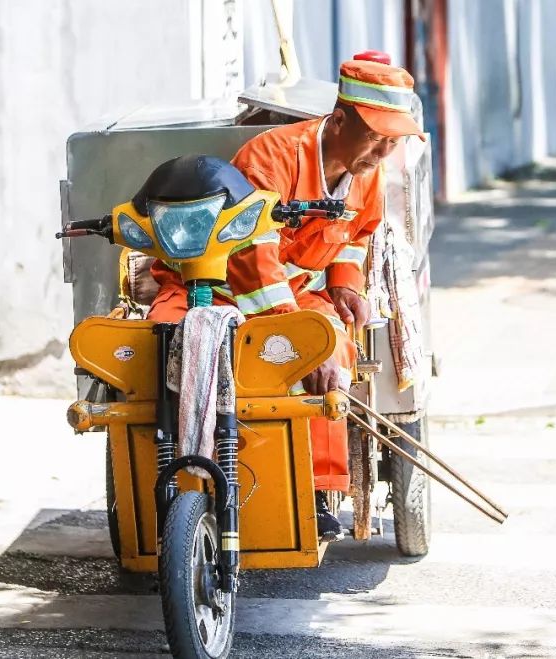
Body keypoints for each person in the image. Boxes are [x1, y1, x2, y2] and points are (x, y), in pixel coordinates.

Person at [146, 58, 425, 539]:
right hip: (209, 292)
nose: (382, 151)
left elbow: (358, 233)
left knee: (329, 346)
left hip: (295, 295)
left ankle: (314, 490)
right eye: (375, 136)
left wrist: (344, 283)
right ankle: (182, 487)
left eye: (393, 141)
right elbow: (251, 253)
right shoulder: (270, 156)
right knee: (168, 350)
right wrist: (287, 334)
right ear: (338, 120)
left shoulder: (369, 174)